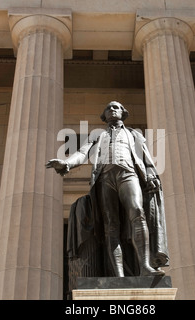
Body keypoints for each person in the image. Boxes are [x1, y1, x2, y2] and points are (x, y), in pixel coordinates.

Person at [46, 101, 169, 277]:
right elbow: (82, 153)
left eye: (116, 107)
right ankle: (118, 275)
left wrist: (151, 175)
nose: (112, 109)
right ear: (104, 116)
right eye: (108, 108)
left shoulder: (134, 135)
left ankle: (145, 267)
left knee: (137, 211)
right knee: (111, 225)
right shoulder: (98, 136)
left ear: (123, 113)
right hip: (105, 178)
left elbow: (146, 157)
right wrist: (66, 163)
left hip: (128, 174)